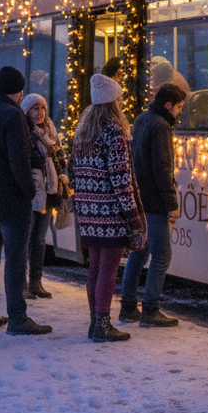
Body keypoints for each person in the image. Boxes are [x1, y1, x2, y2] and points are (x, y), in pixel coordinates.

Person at [0, 66, 52, 335]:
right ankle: (17, 318)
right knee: (15, 259)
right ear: (19, 91)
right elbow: (20, 161)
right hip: (12, 200)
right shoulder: (13, 115)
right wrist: (29, 192)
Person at [72, 73, 146, 343]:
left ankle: (96, 322)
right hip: (109, 212)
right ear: (114, 101)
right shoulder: (114, 130)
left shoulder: (84, 130)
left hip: (88, 212)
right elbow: (121, 178)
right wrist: (133, 216)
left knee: (95, 268)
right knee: (108, 270)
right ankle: (103, 324)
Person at [119, 82, 186, 327]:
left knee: (140, 252)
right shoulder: (161, 127)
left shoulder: (142, 119)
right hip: (155, 202)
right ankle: (150, 308)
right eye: (179, 107)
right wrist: (172, 204)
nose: (180, 112)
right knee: (162, 255)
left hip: (140, 197)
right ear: (168, 105)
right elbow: (163, 169)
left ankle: (127, 306)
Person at [21, 92, 68, 300]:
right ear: (27, 111)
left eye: (42, 108)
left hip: (49, 190)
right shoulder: (23, 131)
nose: (39, 113)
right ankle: (21, 284)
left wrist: (62, 177)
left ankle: (36, 282)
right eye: (35, 108)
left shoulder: (50, 129)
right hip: (32, 191)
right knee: (25, 238)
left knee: (40, 239)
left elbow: (59, 156)